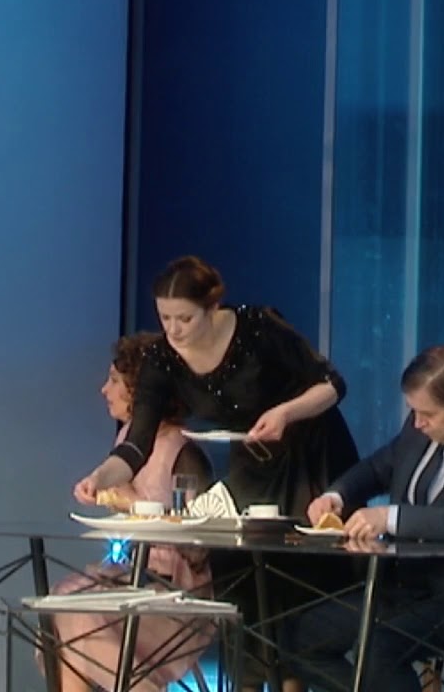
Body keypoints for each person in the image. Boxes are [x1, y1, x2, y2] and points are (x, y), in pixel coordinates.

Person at [73, 255, 360, 691]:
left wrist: (286, 412)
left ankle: (293, 681)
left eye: (185, 318)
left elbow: (332, 384)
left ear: (211, 308)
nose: (174, 329)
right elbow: (136, 443)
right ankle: (248, 682)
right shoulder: (162, 359)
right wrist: (101, 477)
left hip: (309, 454)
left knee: (295, 578)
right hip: (254, 460)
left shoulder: (258, 328)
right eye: (165, 318)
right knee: (239, 569)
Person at [287, 344, 444, 692]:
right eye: (414, 413)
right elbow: (379, 467)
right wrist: (336, 495)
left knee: (378, 647)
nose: (418, 423)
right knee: (301, 636)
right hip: (400, 589)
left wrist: (391, 518)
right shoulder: (421, 426)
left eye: (427, 415)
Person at [47, 332, 215, 692]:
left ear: (141, 391)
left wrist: (134, 504)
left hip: (176, 595)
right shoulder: (126, 439)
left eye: (114, 380)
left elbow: (200, 544)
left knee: (83, 617)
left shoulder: (183, 451)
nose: (103, 390)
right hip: (132, 576)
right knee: (59, 605)